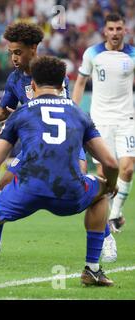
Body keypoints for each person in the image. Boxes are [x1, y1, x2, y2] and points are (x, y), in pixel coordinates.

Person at [0, 56, 119, 288]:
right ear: (62, 86)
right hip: (68, 191)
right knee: (100, 193)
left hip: (27, 188)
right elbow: (111, 163)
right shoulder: (79, 114)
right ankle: (93, 269)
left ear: (33, 85)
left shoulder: (20, 113)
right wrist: (110, 184)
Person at [73, 13, 134, 235]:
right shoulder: (93, 53)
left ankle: (115, 213)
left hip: (127, 119)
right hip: (100, 120)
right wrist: (73, 111)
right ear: (105, 31)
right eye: (111, 29)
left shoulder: (133, 54)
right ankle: (106, 226)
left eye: (119, 29)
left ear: (125, 30)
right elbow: (80, 83)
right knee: (104, 174)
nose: (115, 33)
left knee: (127, 168)